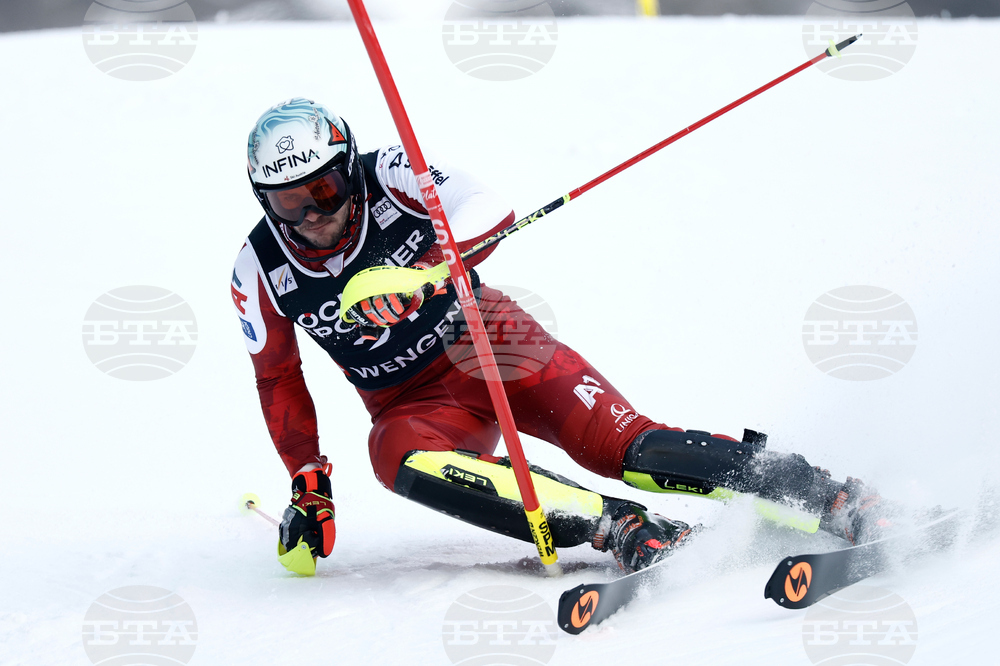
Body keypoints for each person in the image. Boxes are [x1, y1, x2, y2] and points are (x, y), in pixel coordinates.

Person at [231, 98, 886, 576]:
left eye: (323, 188)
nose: (314, 215)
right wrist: (308, 482)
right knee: (392, 455)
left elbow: (488, 207)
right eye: (290, 203)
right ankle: (620, 525)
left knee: (625, 448)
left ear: (347, 167)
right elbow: (277, 378)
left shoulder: (390, 174)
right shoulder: (257, 270)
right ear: (266, 202)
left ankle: (822, 493)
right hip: (414, 407)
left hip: (490, 342)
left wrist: (423, 275)